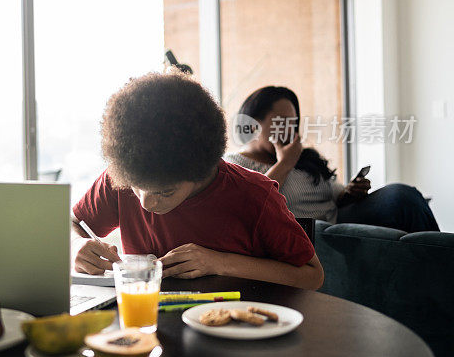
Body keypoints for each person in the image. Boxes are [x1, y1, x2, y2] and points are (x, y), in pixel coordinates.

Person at [72, 71, 324, 290]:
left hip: (234, 329)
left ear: (201, 171)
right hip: (147, 325)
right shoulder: (126, 176)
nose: (147, 202)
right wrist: (78, 247)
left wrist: (220, 262)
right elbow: (74, 225)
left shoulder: (254, 196)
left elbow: (312, 276)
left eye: (165, 192)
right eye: (138, 189)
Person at [225, 86, 439, 232]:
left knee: (404, 198)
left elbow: (333, 193)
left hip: (342, 217)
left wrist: (348, 193)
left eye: (293, 122)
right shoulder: (236, 164)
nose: (289, 130)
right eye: (281, 122)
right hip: (318, 234)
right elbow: (250, 205)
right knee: (403, 200)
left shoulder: (302, 156)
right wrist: (285, 163)